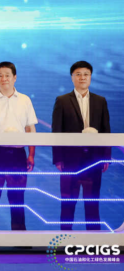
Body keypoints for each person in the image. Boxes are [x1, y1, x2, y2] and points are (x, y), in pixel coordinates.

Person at [0, 61, 37, 231]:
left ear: (14, 77)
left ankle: (19, 238)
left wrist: (31, 155)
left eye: (7, 75)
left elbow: (30, 129)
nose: (4, 79)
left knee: (17, 199)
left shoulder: (25, 100)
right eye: (0, 76)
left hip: (18, 155)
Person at [52, 61, 111, 231]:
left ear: (90, 77)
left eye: (86, 74)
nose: (82, 77)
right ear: (72, 77)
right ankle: (64, 240)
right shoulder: (62, 101)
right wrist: (58, 159)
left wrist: (106, 157)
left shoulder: (100, 101)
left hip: (94, 160)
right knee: (68, 203)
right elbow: (56, 131)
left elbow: (106, 130)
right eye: (78, 74)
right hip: (70, 161)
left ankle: (94, 241)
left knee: (92, 204)